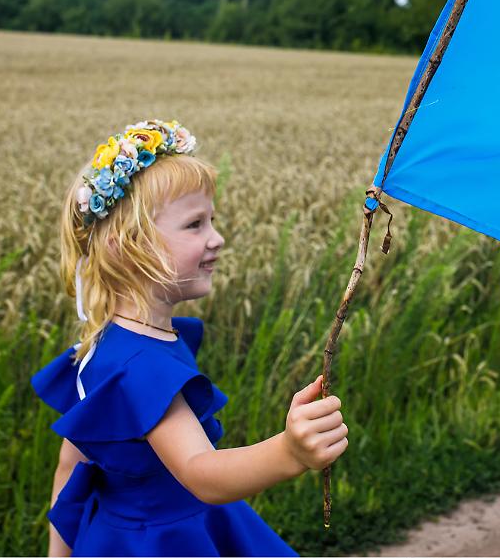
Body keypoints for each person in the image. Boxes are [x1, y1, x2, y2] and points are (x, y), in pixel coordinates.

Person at [31, 120, 347, 556]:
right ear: (127, 245)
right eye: (195, 224)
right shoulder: (141, 366)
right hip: (166, 542)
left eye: (211, 220)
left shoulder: (105, 346)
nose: (217, 238)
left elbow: (71, 464)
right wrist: (289, 452)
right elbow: (201, 472)